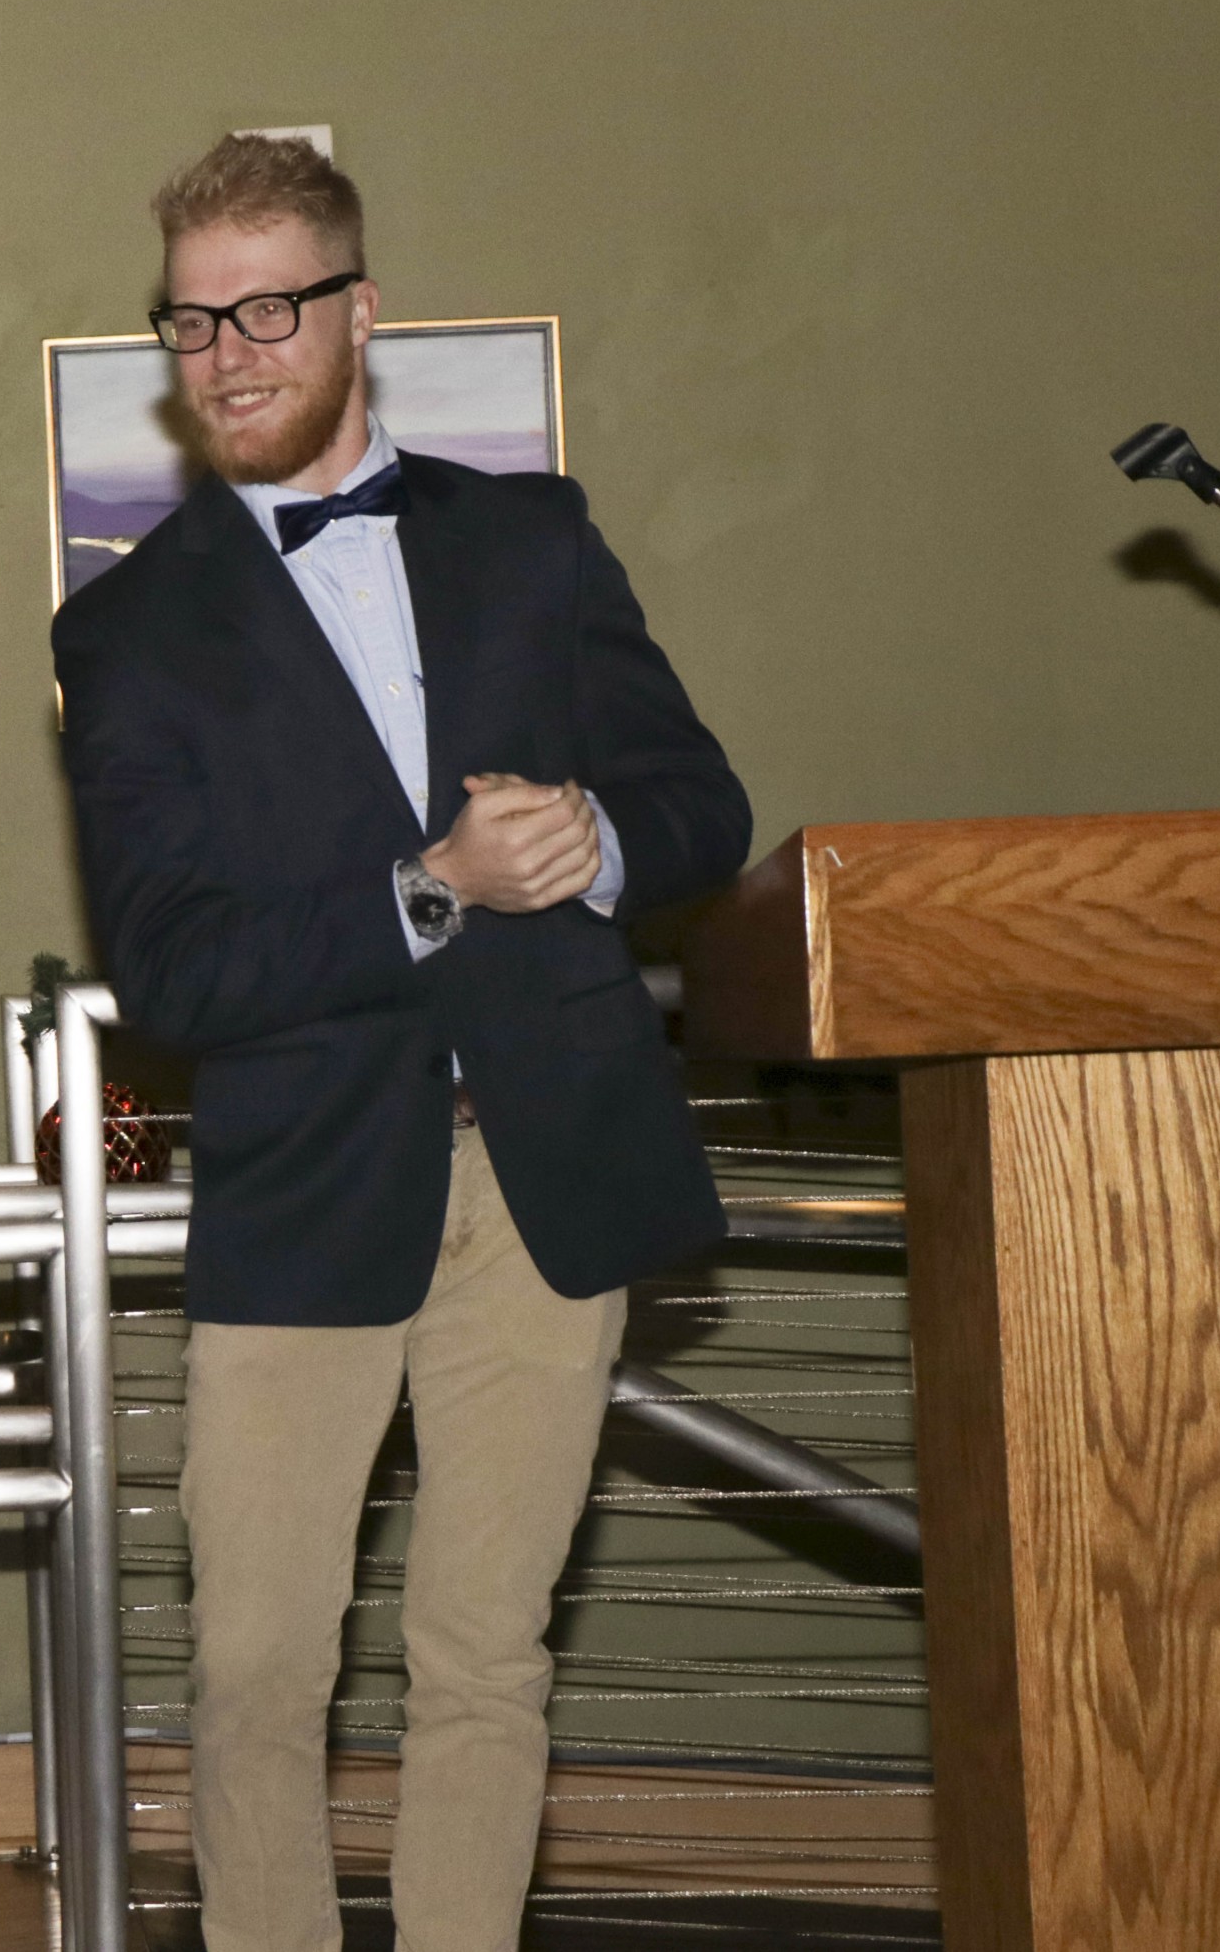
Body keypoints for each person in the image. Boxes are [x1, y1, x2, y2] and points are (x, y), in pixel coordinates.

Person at [51, 135, 750, 1952]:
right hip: (301, 1196)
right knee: (260, 1673)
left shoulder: (534, 541)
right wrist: (429, 888)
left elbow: (702, 804)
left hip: (548, 1173)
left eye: (272, 306)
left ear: (361, 313)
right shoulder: (123, 634)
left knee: (484, 1655)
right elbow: (179, 971)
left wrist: (594, 842)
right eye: (195, 320)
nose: (233, 352)